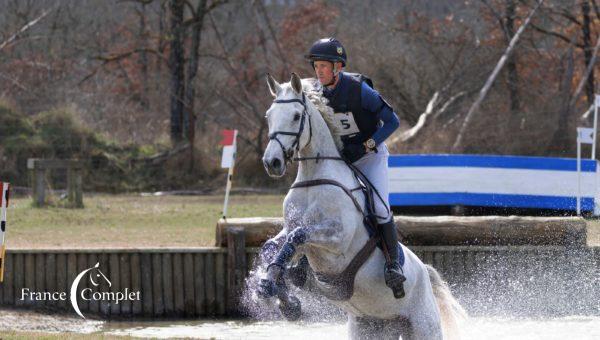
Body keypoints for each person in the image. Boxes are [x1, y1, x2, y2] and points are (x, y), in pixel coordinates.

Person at [305, 37, 406, 298]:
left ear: (338, 67)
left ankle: (393, 265)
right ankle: (302, 261)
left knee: (380, 206)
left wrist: (366, 146)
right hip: (342, 158)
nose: (318, 72)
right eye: (316, 67)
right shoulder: (317, 92)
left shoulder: (360, 90)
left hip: (370, 155)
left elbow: (392, 122)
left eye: (323, 67)